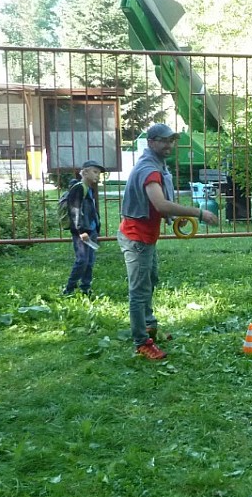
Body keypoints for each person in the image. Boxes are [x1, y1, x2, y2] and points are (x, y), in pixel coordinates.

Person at [117, 123, 220, 361]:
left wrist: (174, 217)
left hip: (146, 237)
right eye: (164, 140)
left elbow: (160, 207)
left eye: (172, 140)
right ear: (151, 142)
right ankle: (142, 341)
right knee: (139, 291)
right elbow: (160, 203)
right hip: (137, 238)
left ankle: (150, 326)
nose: (169, 145)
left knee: (150, 280)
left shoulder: (157, 165)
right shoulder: (149, 169)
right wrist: (199, 213)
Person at [62, 159, 106, 296]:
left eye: (99, 173)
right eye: (95, 172)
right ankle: (69, 288)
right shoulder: (79, 188)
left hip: (90, 230)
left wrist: (96, 228)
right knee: (82, 260)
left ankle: (85, 288)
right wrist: (80, 230)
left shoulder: (89, 189)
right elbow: (74, 210)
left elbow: (91, 210)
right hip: (82, 232)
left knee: (90, 261)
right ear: (85, 172)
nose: (97, 175)